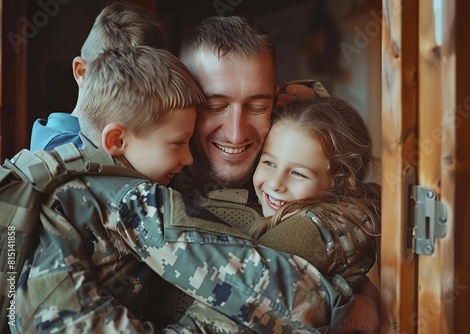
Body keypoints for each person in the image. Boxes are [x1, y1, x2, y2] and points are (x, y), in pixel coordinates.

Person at [12, 45, 354, 333]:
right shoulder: (132, 198)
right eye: (178, 143)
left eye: (257, 104)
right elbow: (244, 278)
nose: (187, 156)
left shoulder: (62, 177)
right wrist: (339, 304)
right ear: (116, 140)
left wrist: (310, 101)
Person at [171, 15, 380, 332]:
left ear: (277, 100)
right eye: (215, 105)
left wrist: (368, 306)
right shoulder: (150, 177)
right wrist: (339, 313)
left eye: (256, 106)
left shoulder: (293, 187)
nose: (236, 133)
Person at [251, 98, 381, 288]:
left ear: (340, 184)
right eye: (269, 163)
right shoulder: (345, 213)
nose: (275, 183)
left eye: (298, 173)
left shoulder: (305, 232)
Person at [29, 2, 170, 151]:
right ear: (81, 72)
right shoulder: (61, 151)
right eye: (115, 82)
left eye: (146, 89)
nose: (129, 98)